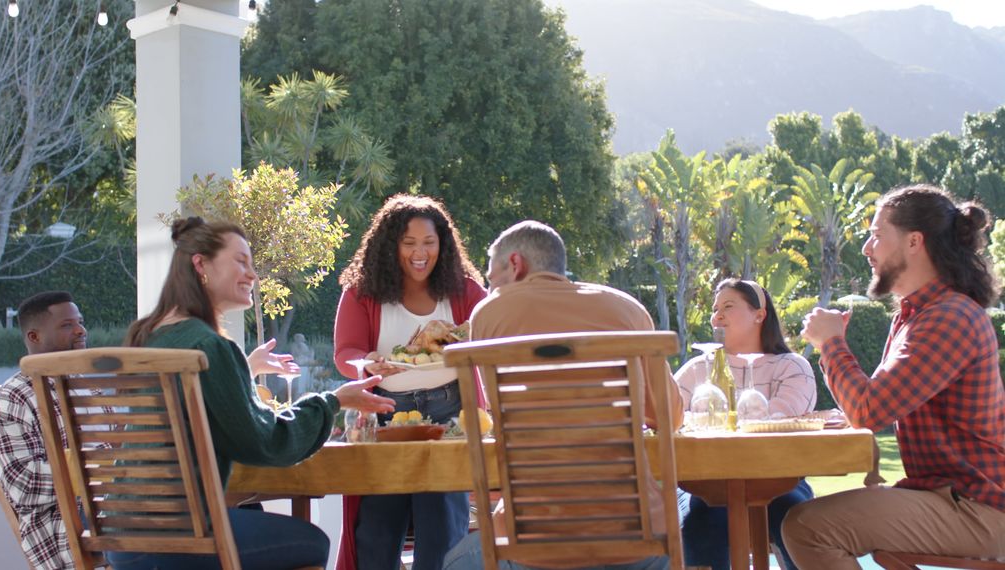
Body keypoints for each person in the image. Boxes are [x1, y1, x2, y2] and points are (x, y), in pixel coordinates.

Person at [112, 217, 395, 570]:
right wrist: (333, 400)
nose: (252, 275)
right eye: (241, 261)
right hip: (180, 536)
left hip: (119, 532)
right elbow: (268, 442)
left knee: (254, 515)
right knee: (311, 541)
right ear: (200, 264)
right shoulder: (208, 346)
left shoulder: (145, 336)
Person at [786, 184, 1005, 569]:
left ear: (914, 242)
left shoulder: (947, 318)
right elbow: (874, 402)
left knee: (809, 527)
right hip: (950, 498)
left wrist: (832, 343)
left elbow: (869, 411)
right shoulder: (915, 316)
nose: (867, 248)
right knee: (806, 520)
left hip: (979, 509)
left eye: (876, 235)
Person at [444, 220, 683, 570]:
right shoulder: (627, 309)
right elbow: (669, 417)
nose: (489, 286)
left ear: (515, 264)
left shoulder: (490, 315)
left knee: (452, 562)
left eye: (491, 277)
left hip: (534, 541)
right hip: (637, 538)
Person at [334, 194, 487, 570]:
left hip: (450, 416)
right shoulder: (362, 292)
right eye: (409, 243)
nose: (420, 253)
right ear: (391, 245)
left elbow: (495, 332)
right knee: (377, 533)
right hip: (387, 417)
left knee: (443, 533)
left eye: (429, 243)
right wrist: (366, 363)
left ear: (443, 245)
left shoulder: (465, 291)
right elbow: (345, 353)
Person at [674, 278, 817, 570]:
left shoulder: (790, 367)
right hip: (705, 482)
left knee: (792, 515)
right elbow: (667, 415)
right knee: (700, 516)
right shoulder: (696, 370)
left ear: (759, 314)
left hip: (778, 478)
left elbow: (778, 419)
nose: (718, 316)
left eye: (728, 306)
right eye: (715, 310)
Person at [0, 291, 90, 570]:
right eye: (67, 325)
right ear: (34, 337)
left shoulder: (87, 386)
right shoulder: (12, 400)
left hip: (108, 509)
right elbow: (24, 485)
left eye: (79, 321)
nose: (80, 330)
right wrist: (98, 472)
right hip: (62, 526)